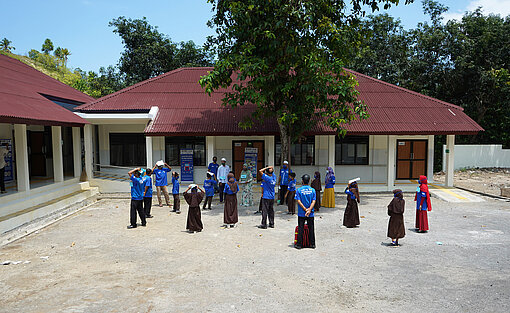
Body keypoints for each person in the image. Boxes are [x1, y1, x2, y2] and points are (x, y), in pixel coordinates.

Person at [295, 174, 316, 249]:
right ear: (309, 181)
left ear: (302, 181)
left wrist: (305, 209)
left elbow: (298, 201)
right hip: (310, 213)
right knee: (311, 228)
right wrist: (309, 209)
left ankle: (299, 244)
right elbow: (314, 201)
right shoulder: (313, 190)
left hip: (301, 212)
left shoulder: (299, 190)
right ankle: (312, 244)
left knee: (301, 228)